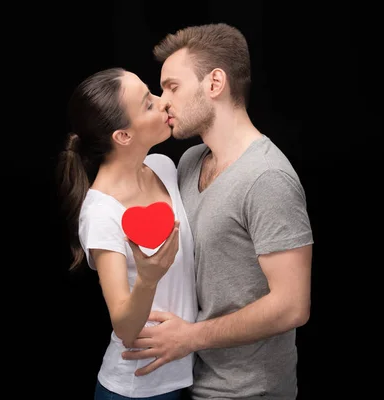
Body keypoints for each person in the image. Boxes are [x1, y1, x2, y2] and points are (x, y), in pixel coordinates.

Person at [121, 23, 314, 399]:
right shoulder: (191, 161)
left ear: (214, 84)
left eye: (172, 87)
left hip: (248, 392)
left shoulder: (266, 177)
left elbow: (292, 305)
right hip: (189, 382)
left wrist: (189, 337)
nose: (163, 101)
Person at [55, 67, 198, 399]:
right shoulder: (101, 212)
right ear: (123, 136)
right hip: (135, 389)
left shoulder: (164, 167)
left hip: (186, 375)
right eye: (148, 104)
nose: (164, 103)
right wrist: (148, 278)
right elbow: (126, 327)